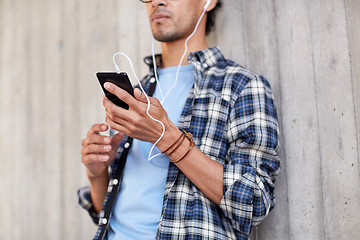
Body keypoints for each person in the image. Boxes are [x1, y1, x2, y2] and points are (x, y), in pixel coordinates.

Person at [78, 0, 280, 239]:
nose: (157, 1)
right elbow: (109, 212)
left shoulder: (241, 86)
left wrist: (168, 139)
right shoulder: (137, 92)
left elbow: (254, 202)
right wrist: (97, 173)